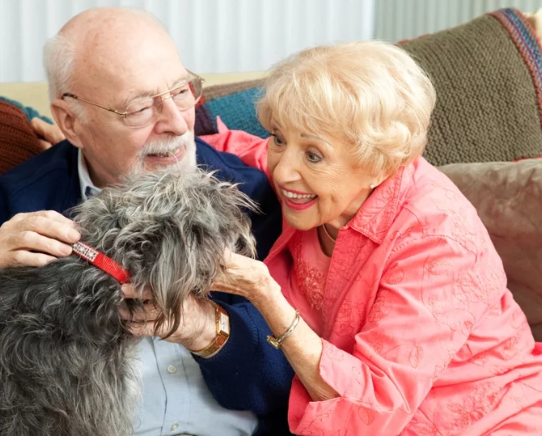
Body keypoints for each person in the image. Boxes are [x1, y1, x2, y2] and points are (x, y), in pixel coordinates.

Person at [0, 8, 293, 436]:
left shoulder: (254, 197)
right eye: (138, 107)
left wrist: (204, 327)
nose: (176, 123)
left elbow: (297, 381)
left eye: (182, 91)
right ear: (70, 122)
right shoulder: (8, 206)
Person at [206, 40, 542, 435]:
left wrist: (265, 294)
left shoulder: (438, 237)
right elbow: (248, 149)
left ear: (378, 164)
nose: (282, 172)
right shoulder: (320, 180)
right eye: (280, 137)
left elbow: (374, 411)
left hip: (483, 420)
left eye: (313, 154)